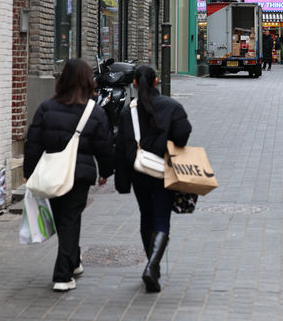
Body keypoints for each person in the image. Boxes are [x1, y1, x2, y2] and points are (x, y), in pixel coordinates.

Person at [24, 58, 113, 292]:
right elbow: (104, 146)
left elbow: (33, 143)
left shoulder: (46, 108)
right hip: (79, 175)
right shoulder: (94, 111)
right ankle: (62, 275)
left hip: (52, 175)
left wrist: (29, 173)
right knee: (70, 220)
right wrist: (105, 172)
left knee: (66, 220)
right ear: (87, 81)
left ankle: (73, 262)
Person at [114, 65, 192, 293]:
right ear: (157, 81)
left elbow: (121, 146)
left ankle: (152, 264)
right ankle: (152, 266)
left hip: (139, 172)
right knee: (161, 218)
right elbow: (182, 134)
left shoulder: (129, 111)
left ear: (135, 84)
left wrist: (121, 180)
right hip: (164, 170)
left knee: (145, 216)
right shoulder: (172, 107)